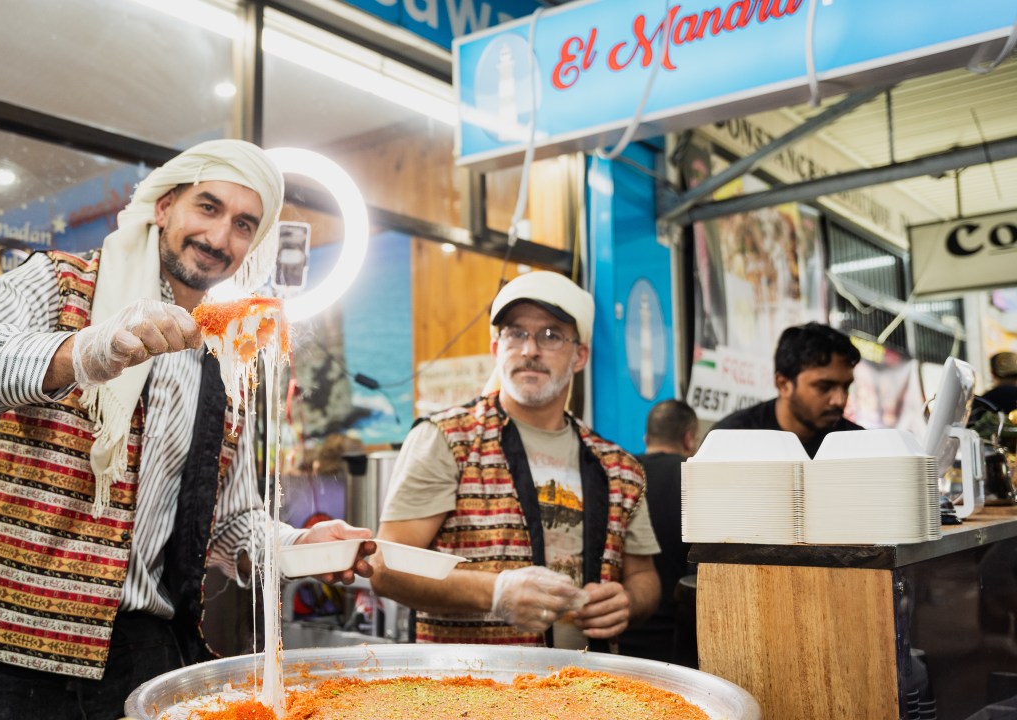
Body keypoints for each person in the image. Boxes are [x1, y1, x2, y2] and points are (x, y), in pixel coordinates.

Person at [0, 139, 374, 720]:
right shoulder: (57, 284)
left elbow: (226, 523)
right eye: (208, 207)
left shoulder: (226, 356)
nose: (220, 238)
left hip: (141, 648)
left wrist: (296, 546)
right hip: (5, 640)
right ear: (164, 206)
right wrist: (81, 353)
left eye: (244, 224)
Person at [370, 271, 661, 651]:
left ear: (580, 356)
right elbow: (385, 567)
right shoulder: (448, 440)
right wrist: (496, 592)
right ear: (496, 349)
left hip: (588, 693)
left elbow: (644, 577)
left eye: (551, 335)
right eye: (515, 333)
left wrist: (629, 602)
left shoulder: (620, 469)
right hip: (468, 696)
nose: (530, 350)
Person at [617, 399, 698, 666]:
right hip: (674, 645)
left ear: (646, 437)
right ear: (689, 439)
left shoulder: (621, 478)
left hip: (616, 635)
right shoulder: (693, 477)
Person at [711, 321, 863, 457]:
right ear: (783, 385)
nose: (840, 400)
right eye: (824, 386)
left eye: (846, 387)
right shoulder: (732, 440)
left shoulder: (859, 445)